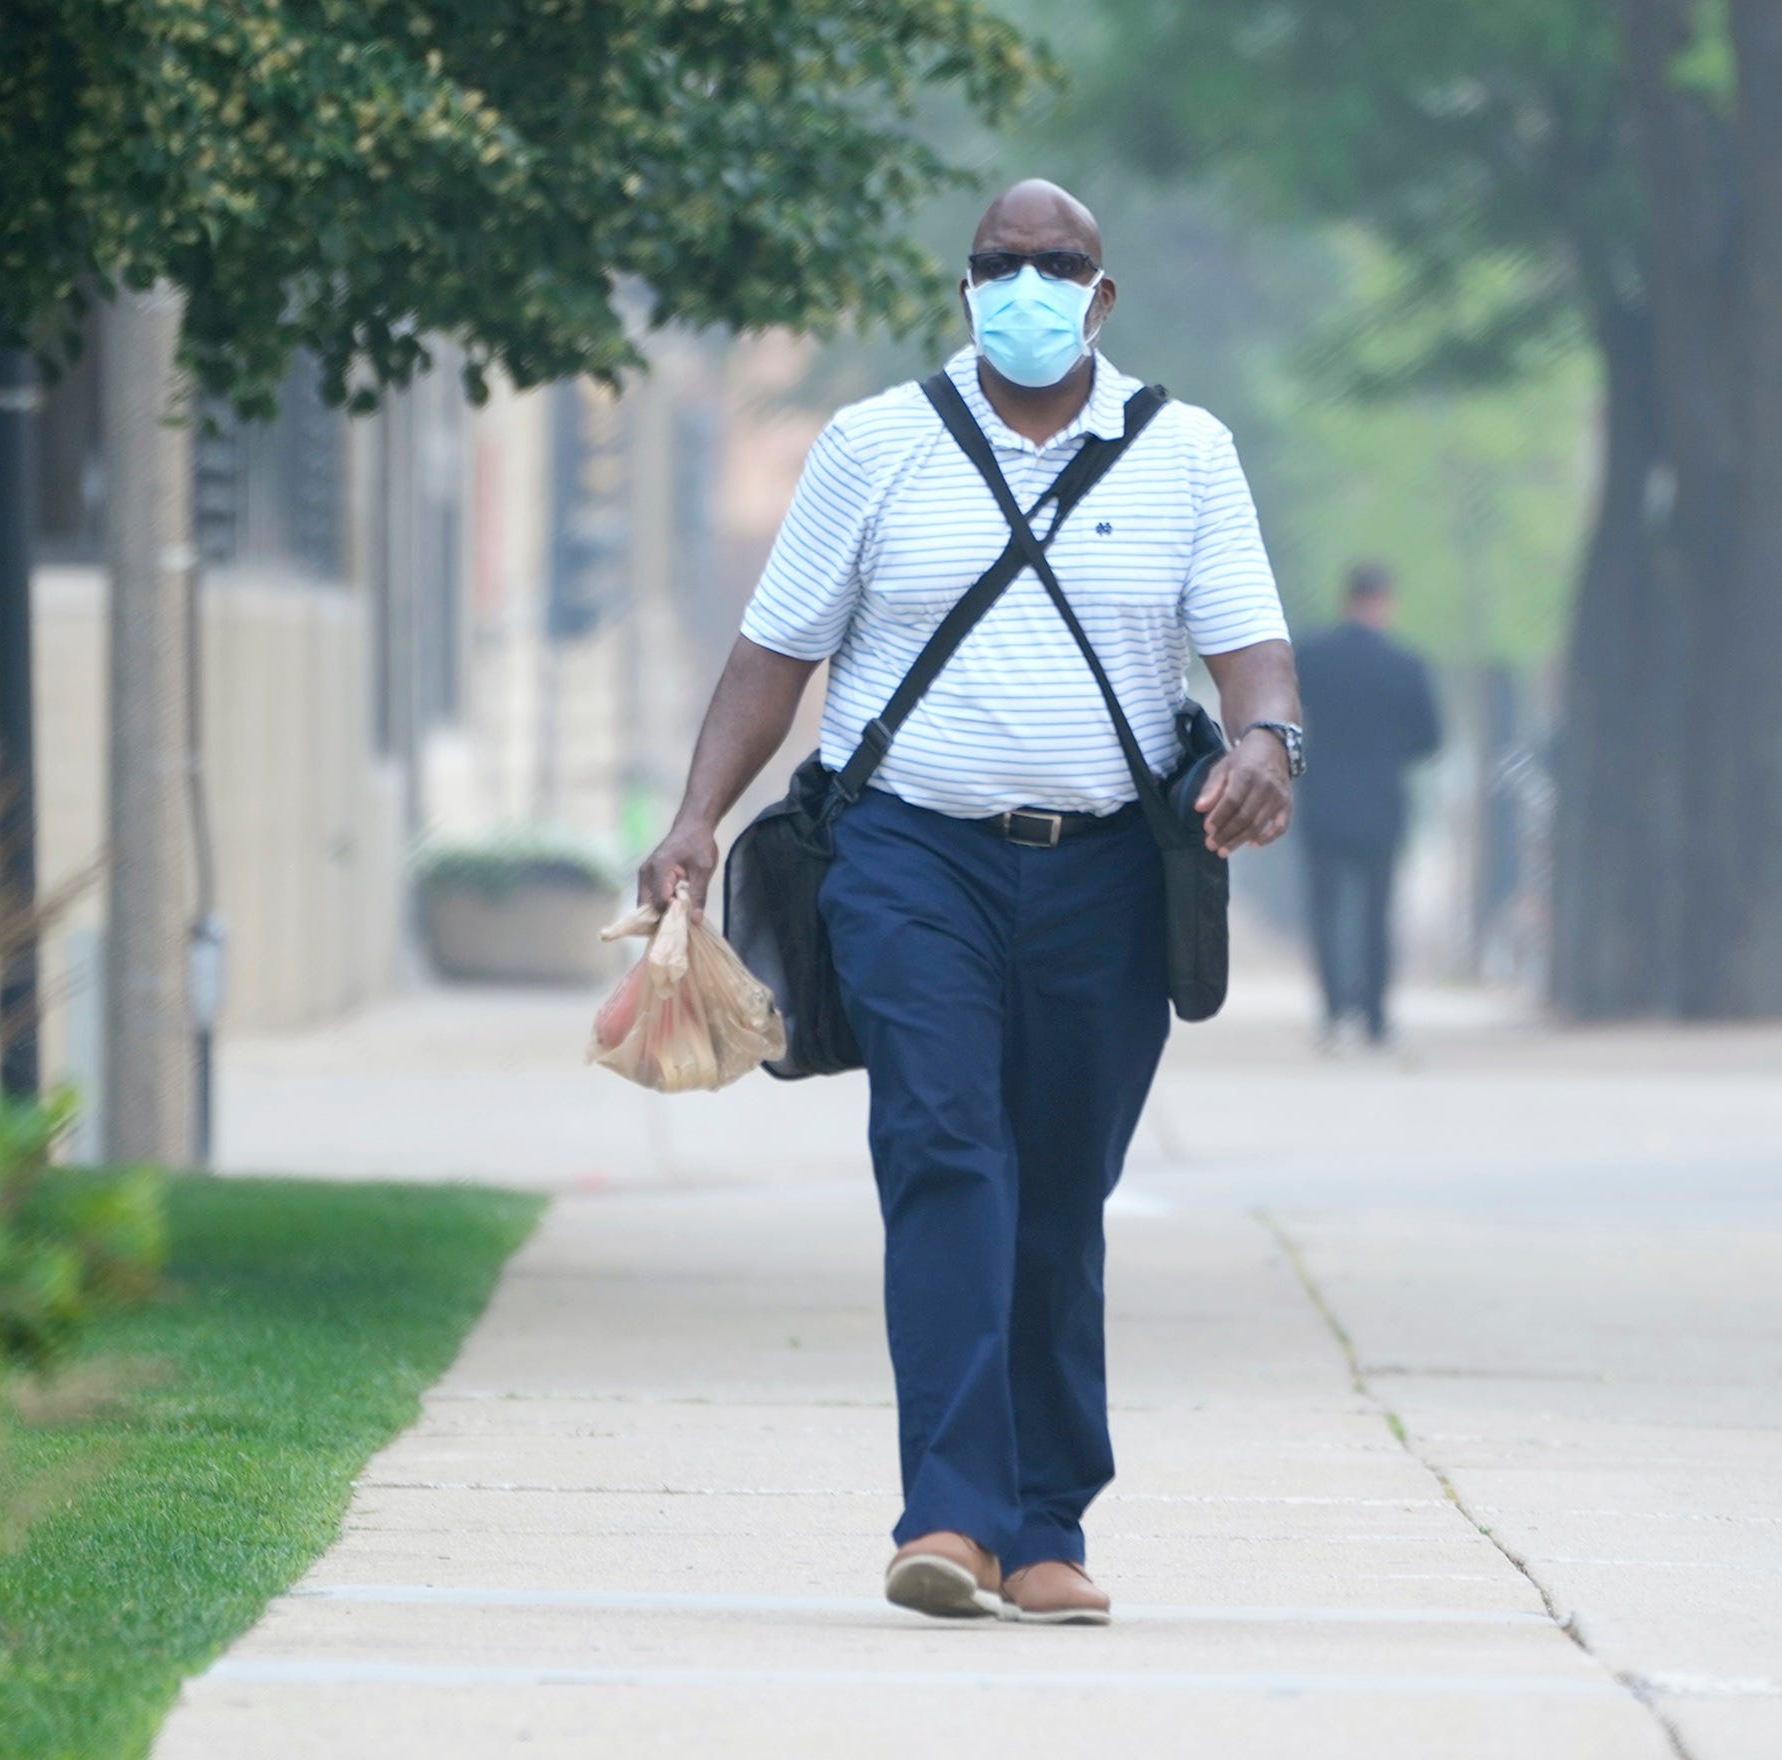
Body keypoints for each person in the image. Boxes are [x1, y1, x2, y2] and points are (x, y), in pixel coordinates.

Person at [637, 180, 1303, 1626]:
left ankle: (1048, 1523)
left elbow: (1253, 651)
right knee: (945, 1143)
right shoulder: (875, 447)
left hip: (1113, 870)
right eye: (1001, 264)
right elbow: (774, 655)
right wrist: (696, 815)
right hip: (909, 855)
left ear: (1102, 295)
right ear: (966, 289)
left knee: (1059, 1192)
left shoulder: (1183, 453)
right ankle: (948, 1512)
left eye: (1057, 264)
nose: (1027, 284)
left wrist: (1266, 743)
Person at [1292, 564, 1440, 1051]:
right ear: (1386, 601)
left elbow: (1288, 717)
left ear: (1346, 598)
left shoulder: (1312, 658)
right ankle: (1376, 1016)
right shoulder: (1406, 665)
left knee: (1326, 910)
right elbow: (1430, 739)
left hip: (1324, 800)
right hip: (1382, 802)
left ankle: (1334, 1012)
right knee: (1378, 914)